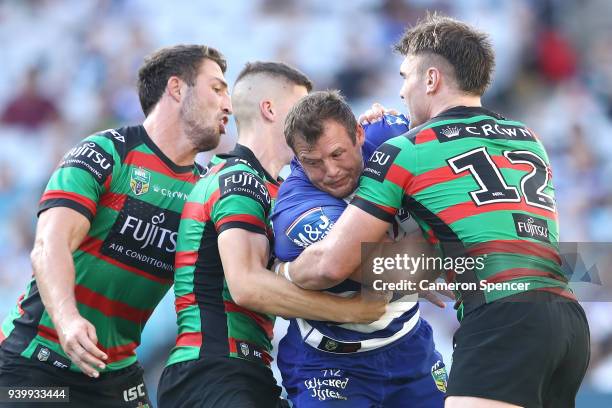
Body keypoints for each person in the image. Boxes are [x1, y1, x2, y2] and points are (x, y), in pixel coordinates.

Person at [276, 14, 590, 408]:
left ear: (431, 80)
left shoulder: (408, 150)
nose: (402, 92)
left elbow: (334, 264)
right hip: (569, 321)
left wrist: (283, 273)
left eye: (406, 76)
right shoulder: (529, 139)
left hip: (502, 318)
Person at [0, 44, 232, 407]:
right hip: (37, 362)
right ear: (176, 88)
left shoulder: (207, 193)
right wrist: (68, 320)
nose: (228, 105)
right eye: (217, 88)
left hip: (117, 377)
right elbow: (49, 245)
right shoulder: (106, 153)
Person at [157, 62, 386, 408]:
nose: (313, 118)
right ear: (270, 109)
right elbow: (247, 286)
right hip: (214, 371)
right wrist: (350, 311)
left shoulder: (280, 189)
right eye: (303, 104)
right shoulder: (239, 179)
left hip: (246, 370)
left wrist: (373, 136)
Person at [272, 90, 447, 407]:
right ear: (297, 159)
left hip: (409, 345)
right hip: (330, 363)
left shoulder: (391, 133)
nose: (330, 171)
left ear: (359, 133)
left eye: (337, 154)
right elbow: (364, 266)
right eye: (312, 162)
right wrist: (437, 257)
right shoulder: (296, 204)